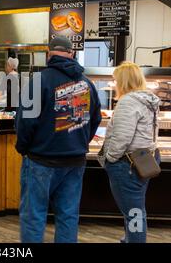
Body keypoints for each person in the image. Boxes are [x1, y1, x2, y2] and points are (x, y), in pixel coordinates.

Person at [15, 36, 102, 243]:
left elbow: (25, 122)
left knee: (33, 216)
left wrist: (23, 148)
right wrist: (79, 142)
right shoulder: (86, 83)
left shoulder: (38, 81)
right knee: (68, 216)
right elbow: (95, 119)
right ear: (72, 54)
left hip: (40, 160)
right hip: (74, 161)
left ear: (48, 54)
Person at [98, 62, 160, 243]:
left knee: (134, 212)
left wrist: (110, 159)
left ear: (124, 81)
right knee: (135, 208)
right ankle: (130, 239)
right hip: (144, 159)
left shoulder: (128, 101)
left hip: (128, 164)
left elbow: (122, 138)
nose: (115, 83)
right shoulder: (148, 99)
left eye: (116, 80)